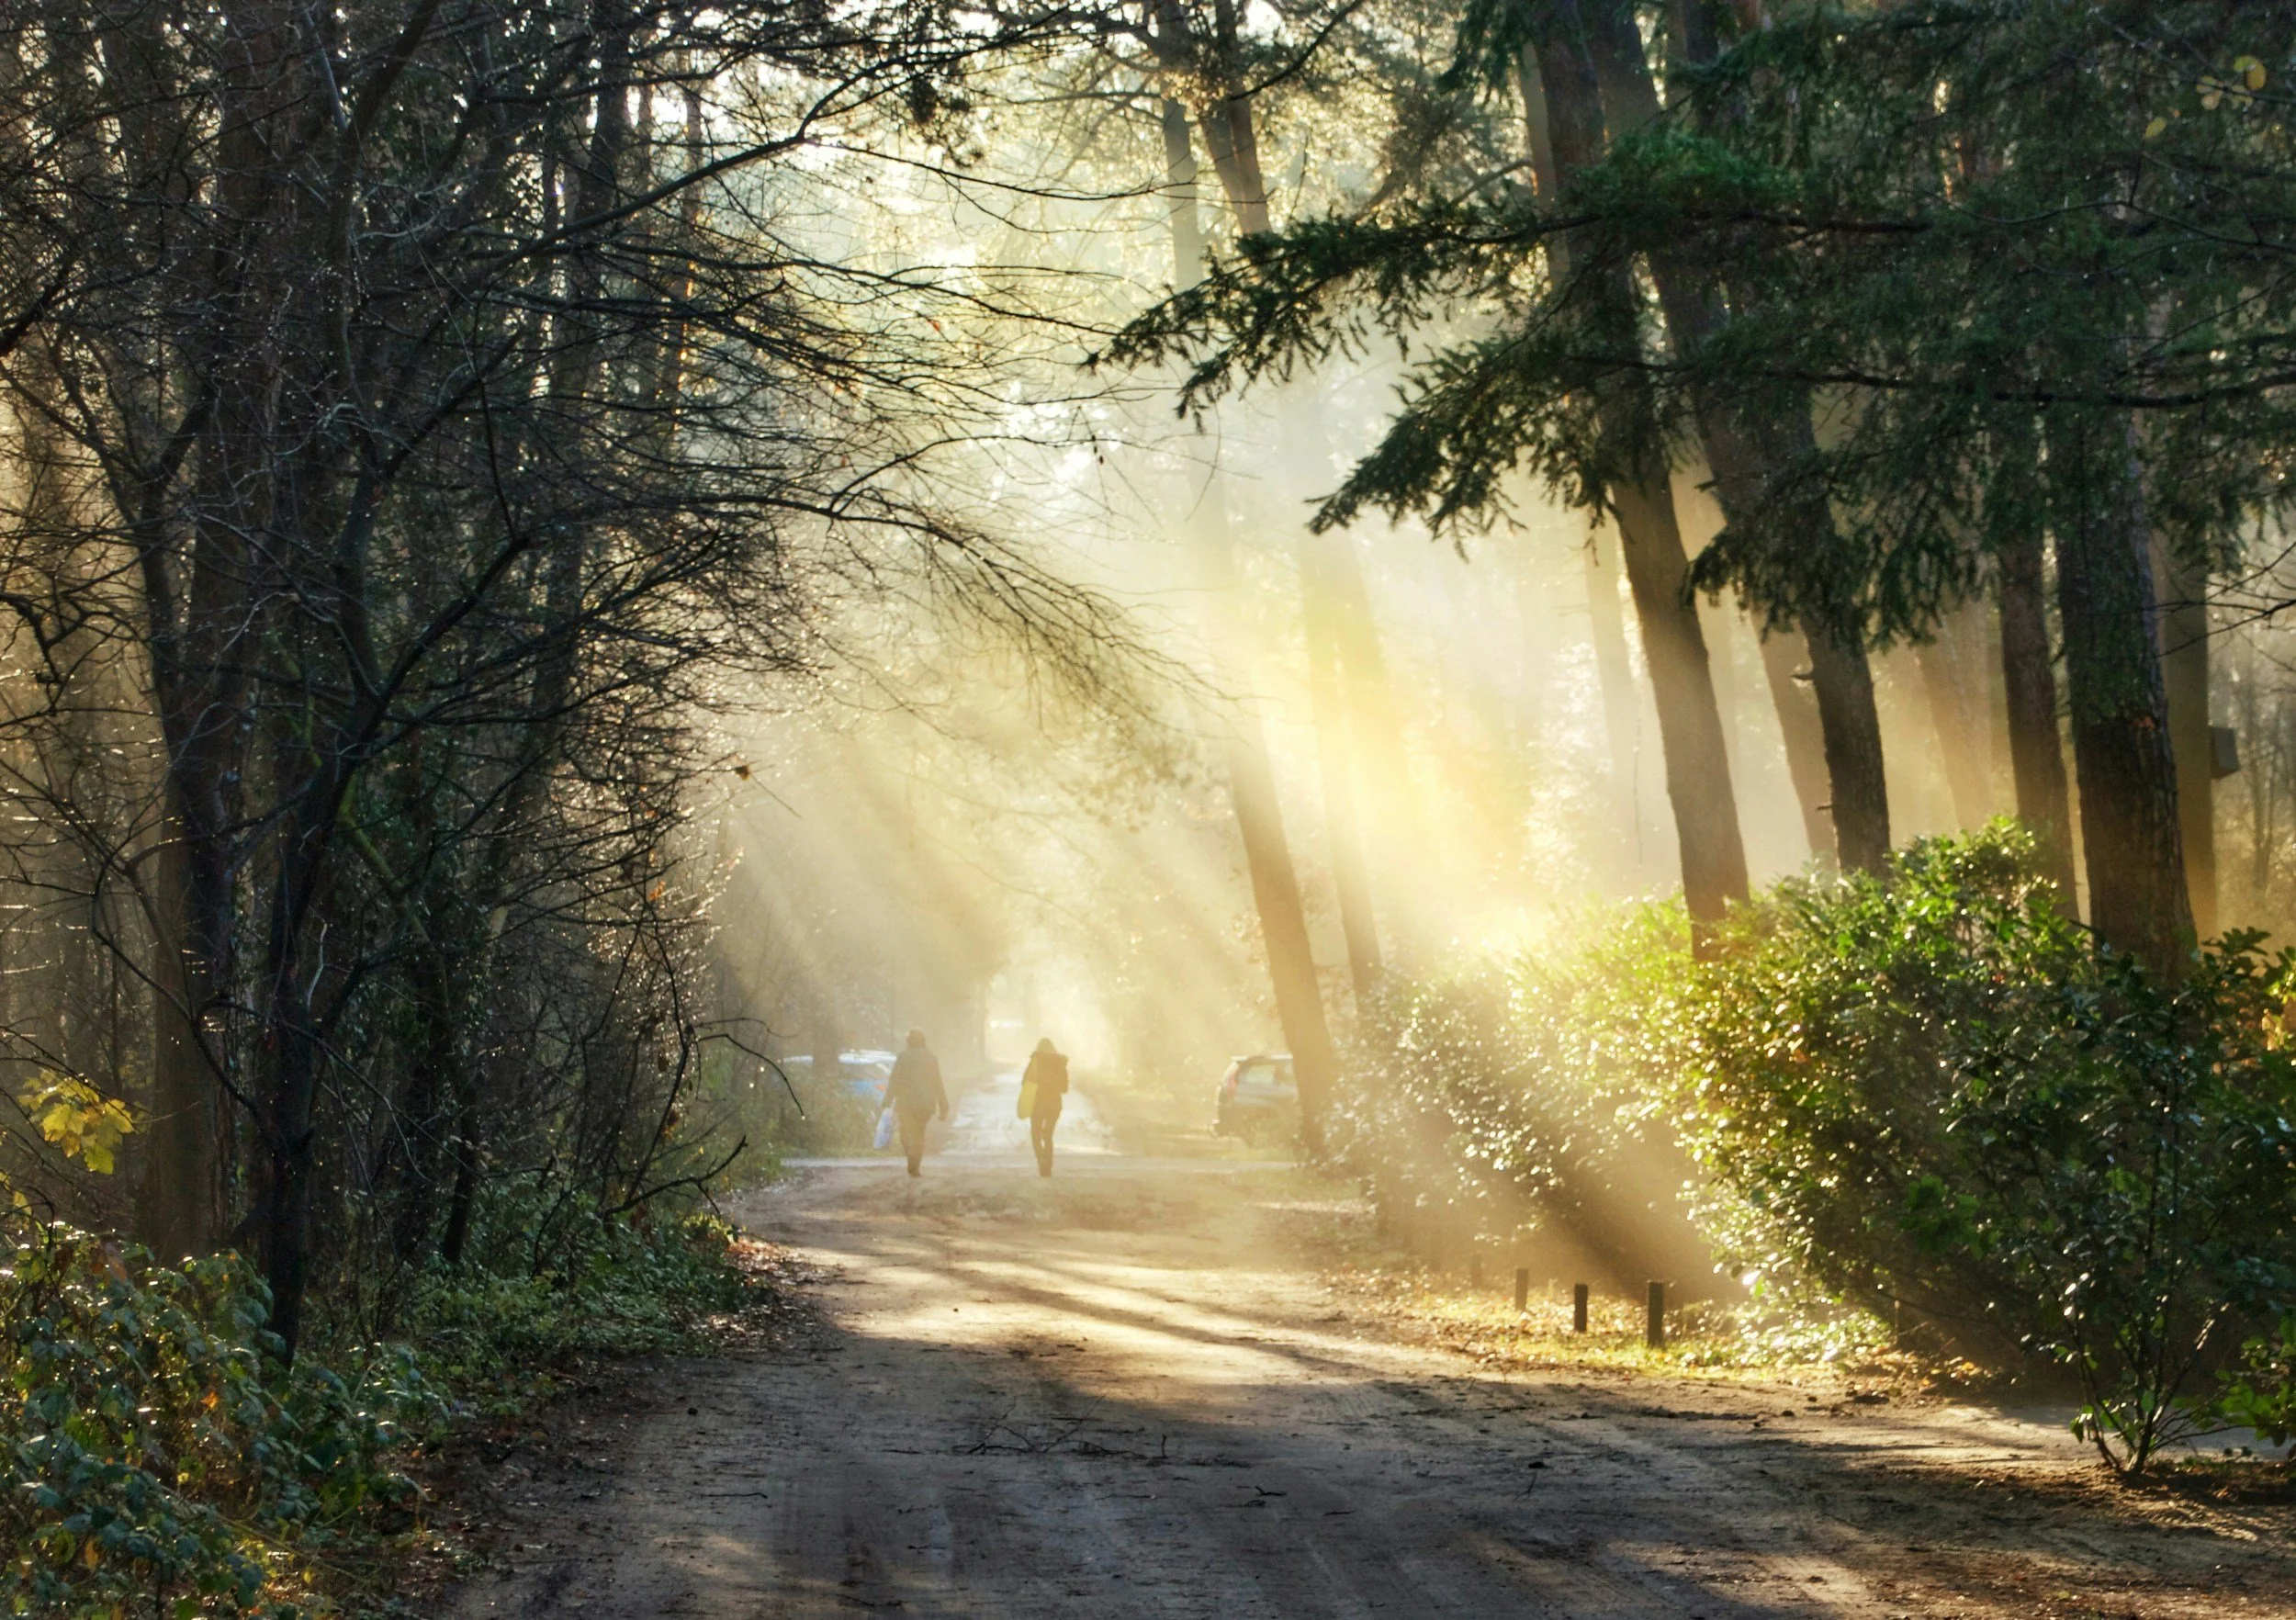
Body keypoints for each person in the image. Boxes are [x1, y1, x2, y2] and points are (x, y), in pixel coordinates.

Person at [885, 1029, 949, 1176]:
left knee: (905, 1134)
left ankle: (911, 1156)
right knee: (919, 1134)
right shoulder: (931, 1058)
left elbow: (894, 1080)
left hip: (905, 1104)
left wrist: (887, 1100)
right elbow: (937, 1083)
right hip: (925, 1105)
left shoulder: (902, 1057)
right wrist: (943, 1105)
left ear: (909, 1042)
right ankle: (915, 1164)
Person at [1022, 1037, 1070, 1177]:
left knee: (1035, 1134)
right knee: (1048, 1135)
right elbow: (1065, 1088)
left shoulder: (1035, 1062)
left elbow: (1024, 1081)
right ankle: (1048, 1165)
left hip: (1037, 1103)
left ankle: (1041, 1160)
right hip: (1054, 1104)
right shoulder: (1060, 1064)